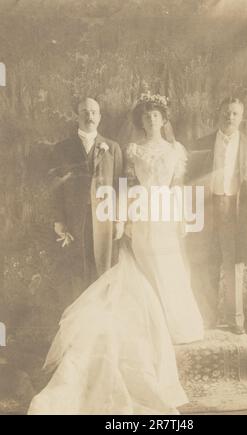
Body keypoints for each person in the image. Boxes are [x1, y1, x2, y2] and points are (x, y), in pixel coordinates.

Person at [28, 94, 204, 415]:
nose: (152, 121)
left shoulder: (161, 150)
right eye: (147, 117)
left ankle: (174, 322)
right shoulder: (126, 150)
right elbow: (125, 184)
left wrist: (179, 215)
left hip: (162, 209)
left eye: (156, 117)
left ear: (163, 120)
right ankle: (128, 323)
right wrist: (126, 214)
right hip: (127, 211)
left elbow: (169, 184)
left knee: (168, 263)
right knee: (140, 260)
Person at [190, 97, 247, 334]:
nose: (230, 117)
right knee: (206, 263)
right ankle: (207, 318)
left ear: (241, 117)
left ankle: (235, 320)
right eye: (226, 112)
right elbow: (190, 176)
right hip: (207, 208)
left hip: (236, 211)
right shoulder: (203, 143)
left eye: (235, 114)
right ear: (219, 114)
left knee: (233, 265)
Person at [50, 97, 123, 303]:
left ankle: (103, 316)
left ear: (99, 117)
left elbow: (119, 186)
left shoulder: (113, 147)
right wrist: (59, 219)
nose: (89, 116)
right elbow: (56, 189)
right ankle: (79, 319)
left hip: (105, 219)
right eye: (84, 112)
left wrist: (119, 219)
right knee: (78, 267)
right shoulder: (62, 148)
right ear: (77, 116)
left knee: (103, 265)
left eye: (93, 112)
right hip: (75, 219)